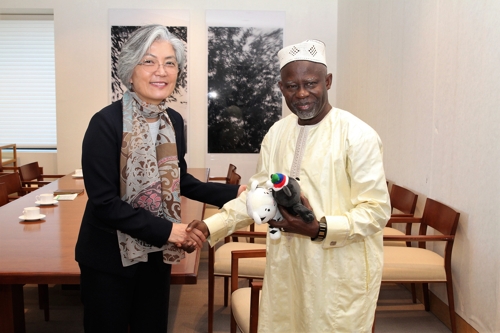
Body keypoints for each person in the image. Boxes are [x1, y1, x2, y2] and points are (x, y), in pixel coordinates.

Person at [188, 40, 391, 332]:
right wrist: (211, 226)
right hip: (287, 267)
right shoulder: (277, 133)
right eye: (292, 86)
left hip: (337, 272)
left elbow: (376, 211)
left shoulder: (357, 135)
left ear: (328, 81)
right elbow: (258, 197)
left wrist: (319, 228)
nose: (302, 94)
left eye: (311, 83)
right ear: (281, 88)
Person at [75, 24, 244, 333]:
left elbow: (179, 179)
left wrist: (235, 194)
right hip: (108, 259)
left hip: (155, 255)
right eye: (149, 61)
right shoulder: (104, 124)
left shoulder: (173, 122)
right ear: (129, 71)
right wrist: (169, 230)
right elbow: (104, 203)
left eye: (170, 63)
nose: (161, 71)